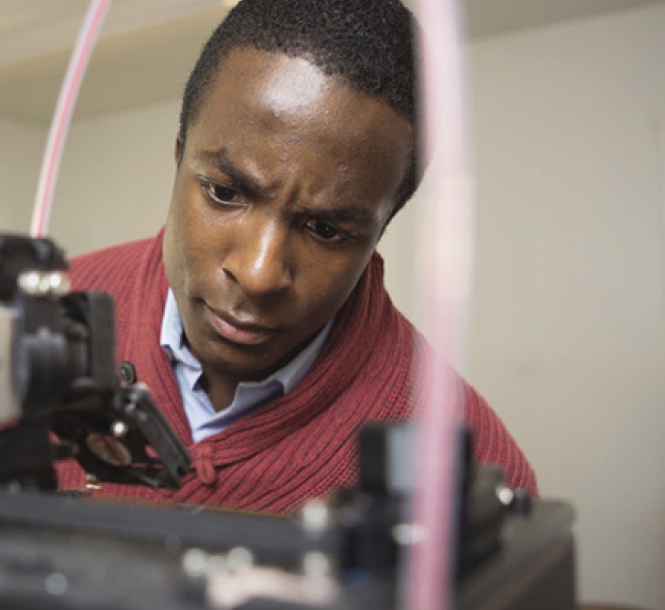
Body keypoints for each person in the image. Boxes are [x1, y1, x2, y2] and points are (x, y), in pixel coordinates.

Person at [55, 0, 536, 513]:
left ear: (381, 231)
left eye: (326, 229)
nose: (259, 275)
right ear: (179, 156)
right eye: (224, 192)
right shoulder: (37, 318)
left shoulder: (473, 472)